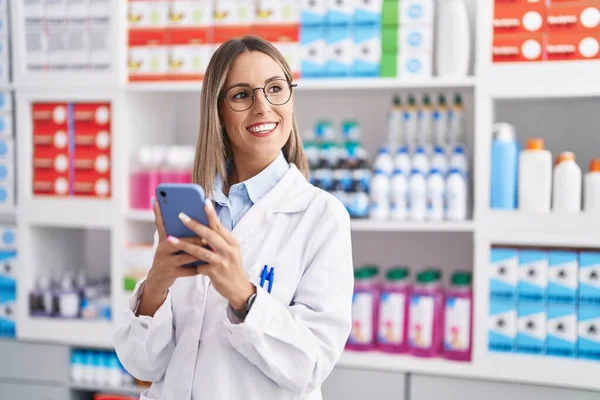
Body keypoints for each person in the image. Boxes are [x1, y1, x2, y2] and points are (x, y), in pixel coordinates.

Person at [114, 36, 354, 400]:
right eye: (242, 95)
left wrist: (243, 295)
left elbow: (311, 365)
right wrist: (156, 287)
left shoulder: (322, 217)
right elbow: (143, 367)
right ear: (219, 113)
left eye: (275, 88)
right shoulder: (187, 213)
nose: (263, 106)